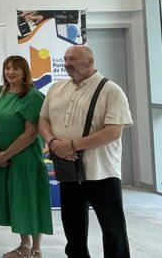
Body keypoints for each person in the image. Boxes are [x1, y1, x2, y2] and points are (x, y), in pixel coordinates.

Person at [39, 45, 132, 257]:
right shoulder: (56, 88)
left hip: (102, 172)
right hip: (69, 171)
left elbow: (112, 132)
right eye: (65, 59)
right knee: (73, 230)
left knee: (112, 228)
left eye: (73, 59)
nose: (67, 63)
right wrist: (52, 141)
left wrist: (71, 145)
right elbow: (43, 119)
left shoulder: (111, 91)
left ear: (89, 62)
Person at [0, 56, 52, 258]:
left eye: (15, 69)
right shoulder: (0, 93)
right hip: (3, 157)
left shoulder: (32, 96)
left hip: (25, 159)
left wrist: (6, 154)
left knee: (31, 198)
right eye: (7, 68)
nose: (10, 72)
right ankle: (24, 245)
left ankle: (36, 248)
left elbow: (31, 134)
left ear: (24, 72)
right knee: (16, 200)